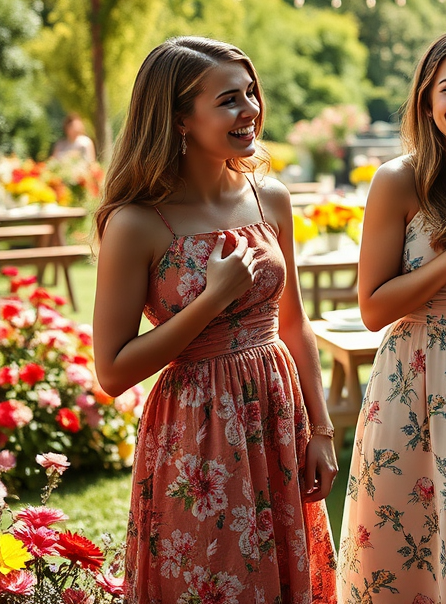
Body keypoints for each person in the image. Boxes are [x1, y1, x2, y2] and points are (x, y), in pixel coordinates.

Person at [93, 37, 338, 604]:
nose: (250, 109)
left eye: (250, 92)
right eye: (229, 100)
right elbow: (111, 371)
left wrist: (321, 431)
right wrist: (213, 297)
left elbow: (295, 323)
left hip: (280, 416)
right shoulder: (137, 223)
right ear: (180, 117)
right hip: (195, 433)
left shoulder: (269, 196)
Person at [335, 30, 446, 603]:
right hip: (411, 378)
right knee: (403, 540)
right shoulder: (398, 180)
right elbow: (373, 308)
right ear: (426, 99)